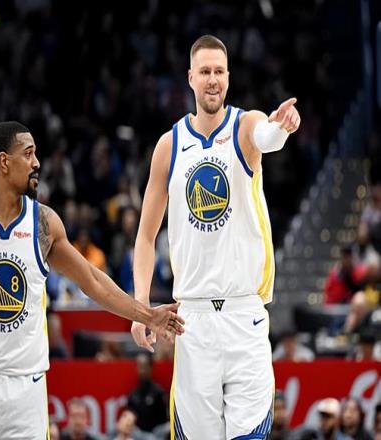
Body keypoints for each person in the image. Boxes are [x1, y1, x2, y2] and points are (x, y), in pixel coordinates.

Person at [0, 121, 185, 439]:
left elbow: (92, 281)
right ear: (4, 162)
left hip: (26, 390)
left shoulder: (43, 224)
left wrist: (148, 315)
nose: (37, 163)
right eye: (28, 153)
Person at [131, 34, 300, 438]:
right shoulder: (169, 146)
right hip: (193, 321)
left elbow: (267, 136)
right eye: (205, 71)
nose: (212, 79)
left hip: (244, 314)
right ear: (190, 78)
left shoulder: (244, 125)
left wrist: (282, 127)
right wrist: (140, 305)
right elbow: (145, 237)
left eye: (219, 71)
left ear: (228, 77)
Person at [127, 353, 168, 433]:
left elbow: (165, 420)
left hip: (157, 434)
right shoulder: (133, 395)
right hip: (138, 435)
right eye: (140, 367)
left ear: (150, 368)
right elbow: (130, 418)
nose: (142, 371)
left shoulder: (159, 393)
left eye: (145, 367)